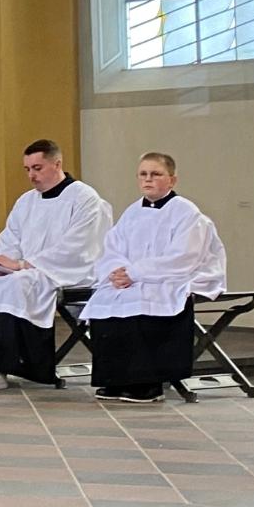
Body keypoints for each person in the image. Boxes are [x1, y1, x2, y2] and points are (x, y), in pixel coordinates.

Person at [0, 139, 110, 392]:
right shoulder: (26, 201)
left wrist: (23, 265)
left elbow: (79, 247)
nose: (31, 175)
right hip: (26, 270)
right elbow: (11, 238)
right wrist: (2, 261)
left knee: (20, 284)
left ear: (57, 164)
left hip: (65, 272)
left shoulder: (85, 199)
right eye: (27, 169)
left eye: (37, 168)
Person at [83, 153, 226, 405]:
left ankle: (148, 385)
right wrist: (118, 271)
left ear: (172, 179)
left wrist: (135, 273)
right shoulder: (131, 212)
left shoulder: (185, 212)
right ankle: (117, 380)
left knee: (144, 301)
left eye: (156, 174)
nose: (148, 179)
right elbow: (113, 247)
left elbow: (184, 256)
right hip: (133, 279)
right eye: (143, 174)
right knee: (107, 301)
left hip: (170, 278)